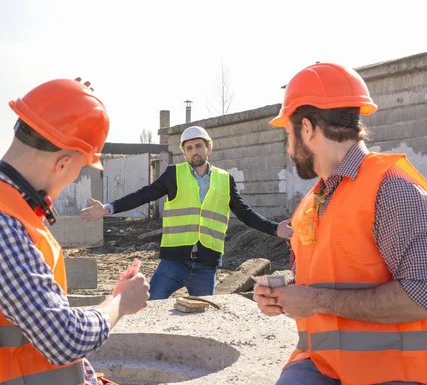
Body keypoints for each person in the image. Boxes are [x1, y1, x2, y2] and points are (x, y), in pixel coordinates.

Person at [0, 78, 150, 385]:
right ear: (63, 163)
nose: (74, 177)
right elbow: (64, 339)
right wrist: (120, 303)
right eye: (81, 167)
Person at [253, 62, 427, 385]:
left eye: (288, 135)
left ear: (307, 129)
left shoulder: (392, 189)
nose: (289, 148)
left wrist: (315, 300)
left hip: (394, 373)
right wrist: (286, 293)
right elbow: (332, 271)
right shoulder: (313, 201)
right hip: (323, 364)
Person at [80, 125, 293, 300]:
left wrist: (275, 230)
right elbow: (144, 194)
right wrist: (109, 208)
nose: (194, 151)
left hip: (206, 265)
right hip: (174, 262)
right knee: (149, 308)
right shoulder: (174, 174)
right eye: (189, 148)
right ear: (184, 152)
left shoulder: (224, 179)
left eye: (199, 146)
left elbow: (244, 213)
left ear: (209, 148)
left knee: (201, 319)